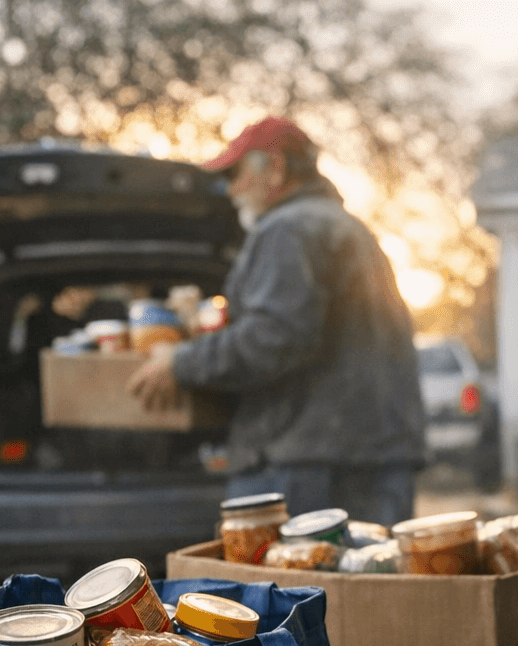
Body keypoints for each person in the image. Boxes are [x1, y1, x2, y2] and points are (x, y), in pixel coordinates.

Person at [129, 116, 425, 526]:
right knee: (368, 583)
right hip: (376, 458)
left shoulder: (285, 230)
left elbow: (275, 337)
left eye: (235, 175)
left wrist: (181, 361)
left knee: (295, 589)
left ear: (276, 168)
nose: (230, 190)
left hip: (306, 467)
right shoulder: (350, 230)